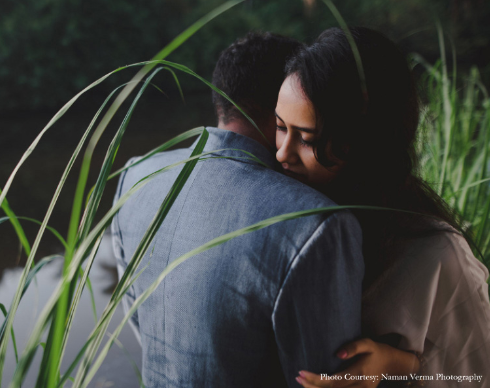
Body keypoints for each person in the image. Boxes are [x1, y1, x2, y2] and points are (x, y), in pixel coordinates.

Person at [111, 32, 365, 387]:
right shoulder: (315, 223)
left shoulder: (136, 176)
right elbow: (329, 379)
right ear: (287, 98)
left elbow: (139, 320)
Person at [273, 27, 490, 387]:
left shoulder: (436, 257)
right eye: (280, 127)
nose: (282, 153)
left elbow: (475, 372)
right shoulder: (272, 214)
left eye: (308, 139)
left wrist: (400, 365)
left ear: (366, 145)